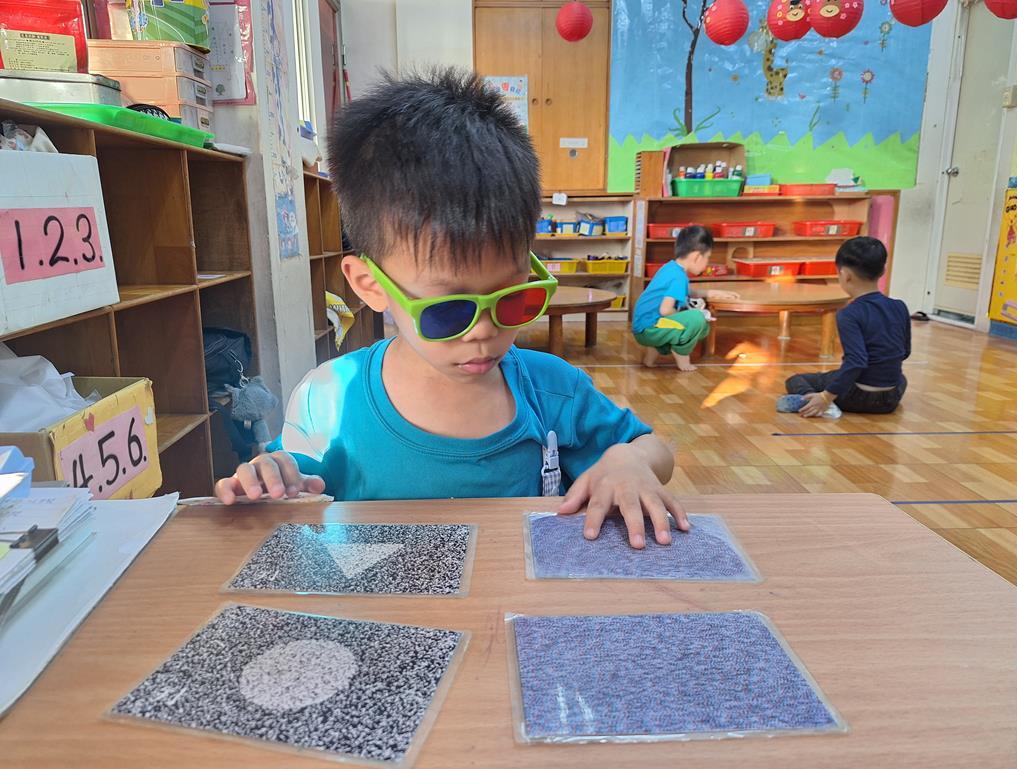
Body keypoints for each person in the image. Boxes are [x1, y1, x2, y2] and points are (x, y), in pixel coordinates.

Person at [213, 69, 687, 549]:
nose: (483, 332)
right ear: (370, 285)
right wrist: (270, 477)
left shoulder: (552, 390)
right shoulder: (329, 402)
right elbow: (292, 485)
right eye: (448, 311)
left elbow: (654, 449)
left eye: (512, 299)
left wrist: (630, 461)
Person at [779, 236, 911, 417]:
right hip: (890, 398)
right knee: (900, 378)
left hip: (855, 396)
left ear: (845, 274)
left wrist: (826, 396)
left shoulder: (849, 313)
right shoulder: (900, 306)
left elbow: (857, 362)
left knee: (796, 380)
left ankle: (815, 402)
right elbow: (905, 352)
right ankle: (822, 399)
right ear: (883, 271)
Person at [631, 225, 738, 371]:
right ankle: (683, 360)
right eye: (707, 257)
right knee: (697, 319)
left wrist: (713, 292)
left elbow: (689, 292)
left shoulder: (670, 268)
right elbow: (665, 310)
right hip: (650, 328)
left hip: (643, 326)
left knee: (680, 320)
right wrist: (685, 316)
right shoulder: (679, 277)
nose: (707, 262)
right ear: (697, 257)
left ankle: (649, 360)